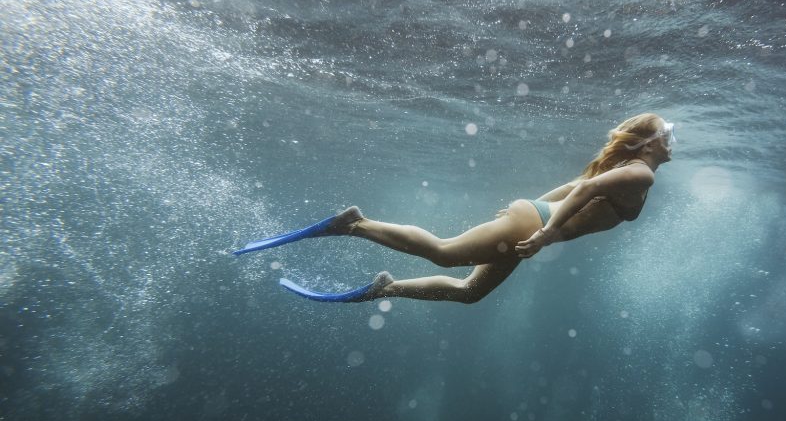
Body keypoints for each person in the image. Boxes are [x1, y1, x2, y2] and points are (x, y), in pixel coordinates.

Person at [234, 113, 675, 303]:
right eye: (668, 134)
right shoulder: (642, 173)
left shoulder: (632, 169)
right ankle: (354, 224)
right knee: (444, 252)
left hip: (534, 220)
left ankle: (385, 288)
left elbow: (575, 185)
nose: (673, 141)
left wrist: (538, 214)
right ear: (651, 142)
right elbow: (580, 193)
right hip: (533, 226)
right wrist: (541, 230)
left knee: (470, 293)